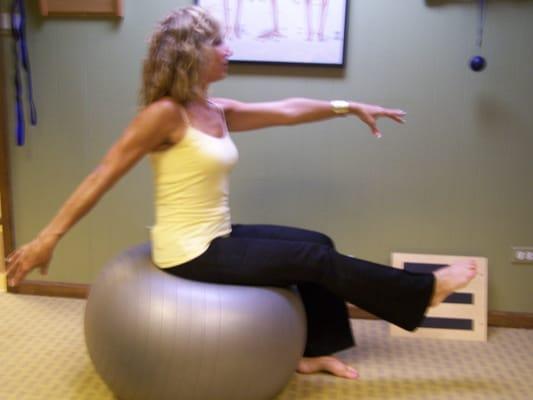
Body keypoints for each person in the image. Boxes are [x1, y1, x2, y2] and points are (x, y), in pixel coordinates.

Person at [6, 6, 477, 380]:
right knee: (313, 262)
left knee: (317, 243)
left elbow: (287, 110)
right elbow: (101, 175)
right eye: (218, 43)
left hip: (219, 234)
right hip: (189, 251)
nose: (228, 50)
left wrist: (347, 105)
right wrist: (49, 237)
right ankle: (425, 292)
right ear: (191, 53)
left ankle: (313, 353)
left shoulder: (213, 108)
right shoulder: (164, 115)